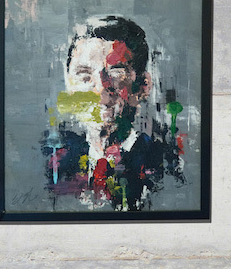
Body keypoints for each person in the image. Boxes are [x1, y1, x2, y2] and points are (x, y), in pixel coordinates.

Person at [42, 16, 184, 211]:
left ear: (143, 86)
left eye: (116, 74)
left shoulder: (167, 166)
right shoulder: (55, 165)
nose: (100, 91)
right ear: (69, 86)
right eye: (84, 76)